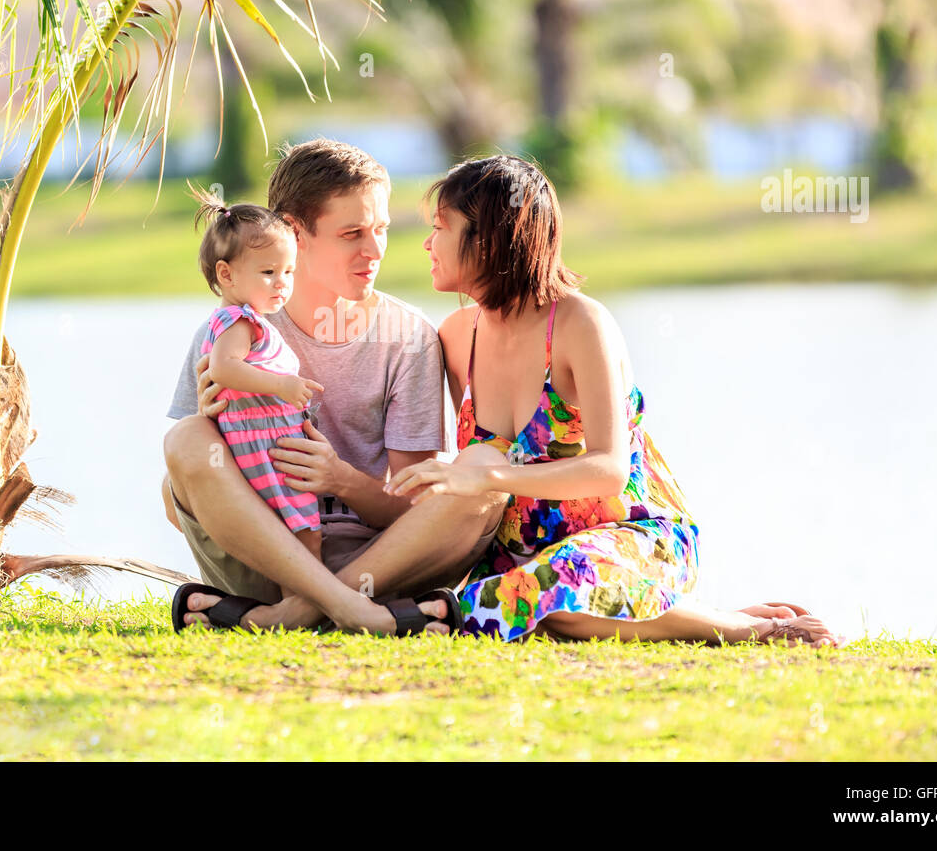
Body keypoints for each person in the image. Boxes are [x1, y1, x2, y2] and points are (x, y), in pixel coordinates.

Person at [383, 155, 845, 646]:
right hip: (518, 557)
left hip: (629, 537)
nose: (429, 243)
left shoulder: (580, 324)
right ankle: (676, 614)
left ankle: (752, 628)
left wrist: (488, 475)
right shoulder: (456, 337)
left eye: (441, 227)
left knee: (560, 595)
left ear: (492, 236)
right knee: (541, 596)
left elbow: (608, 469)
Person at [163, 139, 506, 634]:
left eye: (381, 229)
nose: (374, 251)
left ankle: (297, 614)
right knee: (185, 440)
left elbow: (409, 508)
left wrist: (339, 479)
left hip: (376, 561)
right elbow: (178, 502)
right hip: (265, 561)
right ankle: (352, 611)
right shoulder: (231, 331)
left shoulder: (407, 337)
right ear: (295, 234)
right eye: (352, 234)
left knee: (483, 480)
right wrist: (221, 433)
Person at [190, 193, 323, 565]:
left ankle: (300, 600)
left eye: (288, 272)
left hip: (266, 445)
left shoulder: (243, 320)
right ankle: (307, 602)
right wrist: (282, 385)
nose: (281, 283)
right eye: (268, 273)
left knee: (292, 531)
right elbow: (223, 368)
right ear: (226, 274)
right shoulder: (239, 321)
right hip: (264, 450)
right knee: (303, 529)